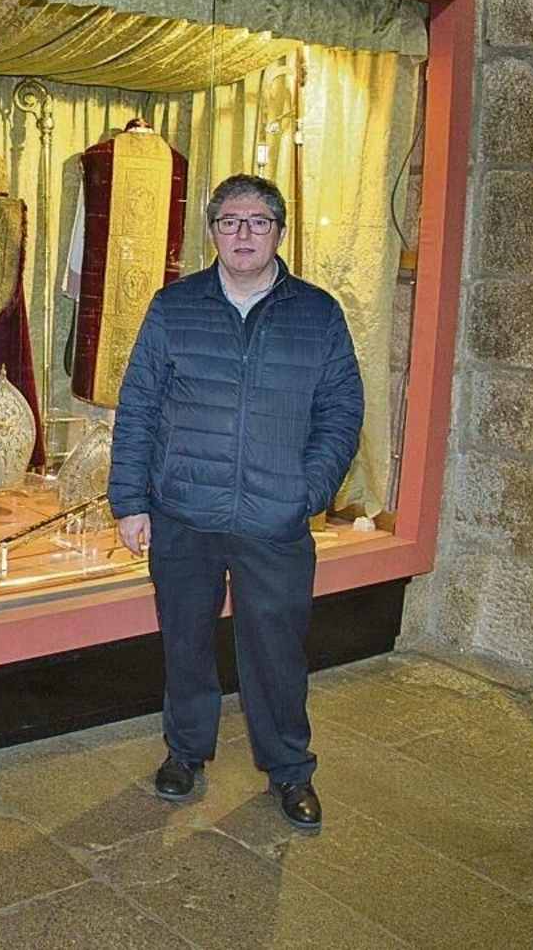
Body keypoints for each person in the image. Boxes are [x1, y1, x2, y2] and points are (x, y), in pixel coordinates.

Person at [108, 173, 364, 832]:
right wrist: (131, 500)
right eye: (229, 221)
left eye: (257, 221)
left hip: (274, 523)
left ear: (280, 231)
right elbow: (137, 407)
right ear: (212, 232)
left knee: (276, 652)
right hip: (185, 514)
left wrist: (305, 492)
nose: (243, 234)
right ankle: (185, 752)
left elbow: (341, 414)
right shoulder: (175, 307)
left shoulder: (318, 313)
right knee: (186, 643)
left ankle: (289, 770)